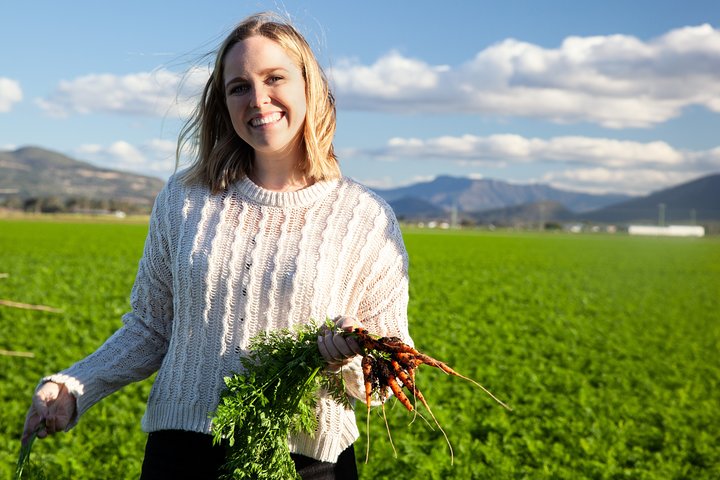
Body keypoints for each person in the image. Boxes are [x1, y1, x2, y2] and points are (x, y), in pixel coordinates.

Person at [22, 12, 412, 480]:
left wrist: (353, 352)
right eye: (239, 87)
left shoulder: (364, 216)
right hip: (182, 453)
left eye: (274, 79)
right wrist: (74, 387)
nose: (258, 99)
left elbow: (392, 372)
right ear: (222, 103)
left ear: (309, 86)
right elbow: (150, 327)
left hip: (308, 462)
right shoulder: (185, 200)